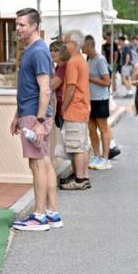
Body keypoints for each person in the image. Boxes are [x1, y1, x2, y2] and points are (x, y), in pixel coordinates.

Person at [10, 9, 59, 230]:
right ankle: (52, 213)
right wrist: (17, 115)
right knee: (44, 162)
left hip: (35, 116)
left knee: (38, 164)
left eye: (22, 25)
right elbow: (28, 87)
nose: (18, 29)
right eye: (17, 24)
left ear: (35, 26)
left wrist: (38, 121)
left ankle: (39, 216)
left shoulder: (38, 51)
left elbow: (45, 89)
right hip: (29, 113)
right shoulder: (32, 50)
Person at [59, 30, 92, 191]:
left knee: (76, 146)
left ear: (74, 44)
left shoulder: (73, 62)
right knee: (82, 145)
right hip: (83, 107)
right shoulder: (81, 60)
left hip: (74, 108)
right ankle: (83, 176)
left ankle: (79, 179)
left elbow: (71, 87)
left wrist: (63, 107)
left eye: (66, 42)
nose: (64, 46)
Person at [83, 35, 113, 170]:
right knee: (91, 129)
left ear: (89, 46)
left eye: (83, 46)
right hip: (90, 99)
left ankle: (106, 158)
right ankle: (96, 156)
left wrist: (89, 78)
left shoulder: (100, 60)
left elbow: (107, 82)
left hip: (100, 99)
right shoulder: (88, 59)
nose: (81, 48)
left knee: (103, 128)